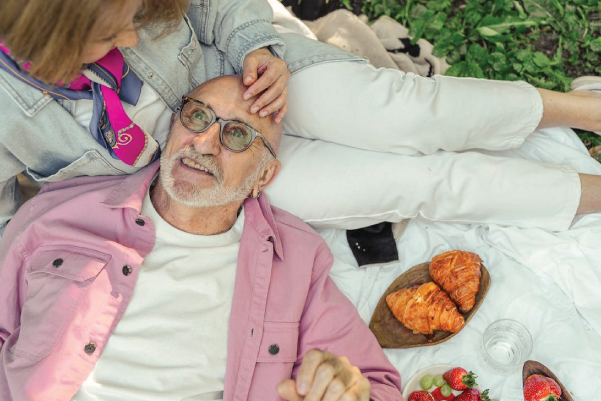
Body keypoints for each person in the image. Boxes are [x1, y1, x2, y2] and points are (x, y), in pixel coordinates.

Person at [1, 0, 601, 243]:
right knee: (412, 185)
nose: (131, 37)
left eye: (132, 17)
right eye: (109, 36)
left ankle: (581, 106)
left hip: (250, 76)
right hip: (209, 176)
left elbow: (219, 4)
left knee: (409, 112)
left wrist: (257, 46)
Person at [0, 75, 403, 401]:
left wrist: (348, 391)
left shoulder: (296, 259)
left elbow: (378, 386)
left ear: (263, 176)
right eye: (197, 116)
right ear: (174, 126)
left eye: (239, 135)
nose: (205, 144)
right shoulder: (56, 214)